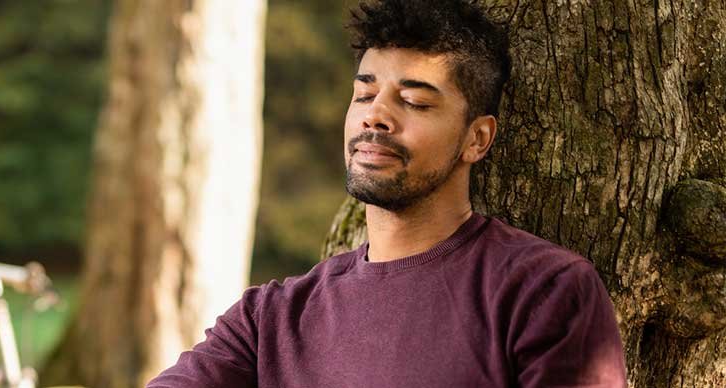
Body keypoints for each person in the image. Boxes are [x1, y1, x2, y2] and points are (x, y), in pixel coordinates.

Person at [147, 0, 627, 386]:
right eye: (363, 95)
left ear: (476, 138)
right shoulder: (270, 319)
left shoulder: (543, 291)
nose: (376, 115)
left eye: (415, 101)